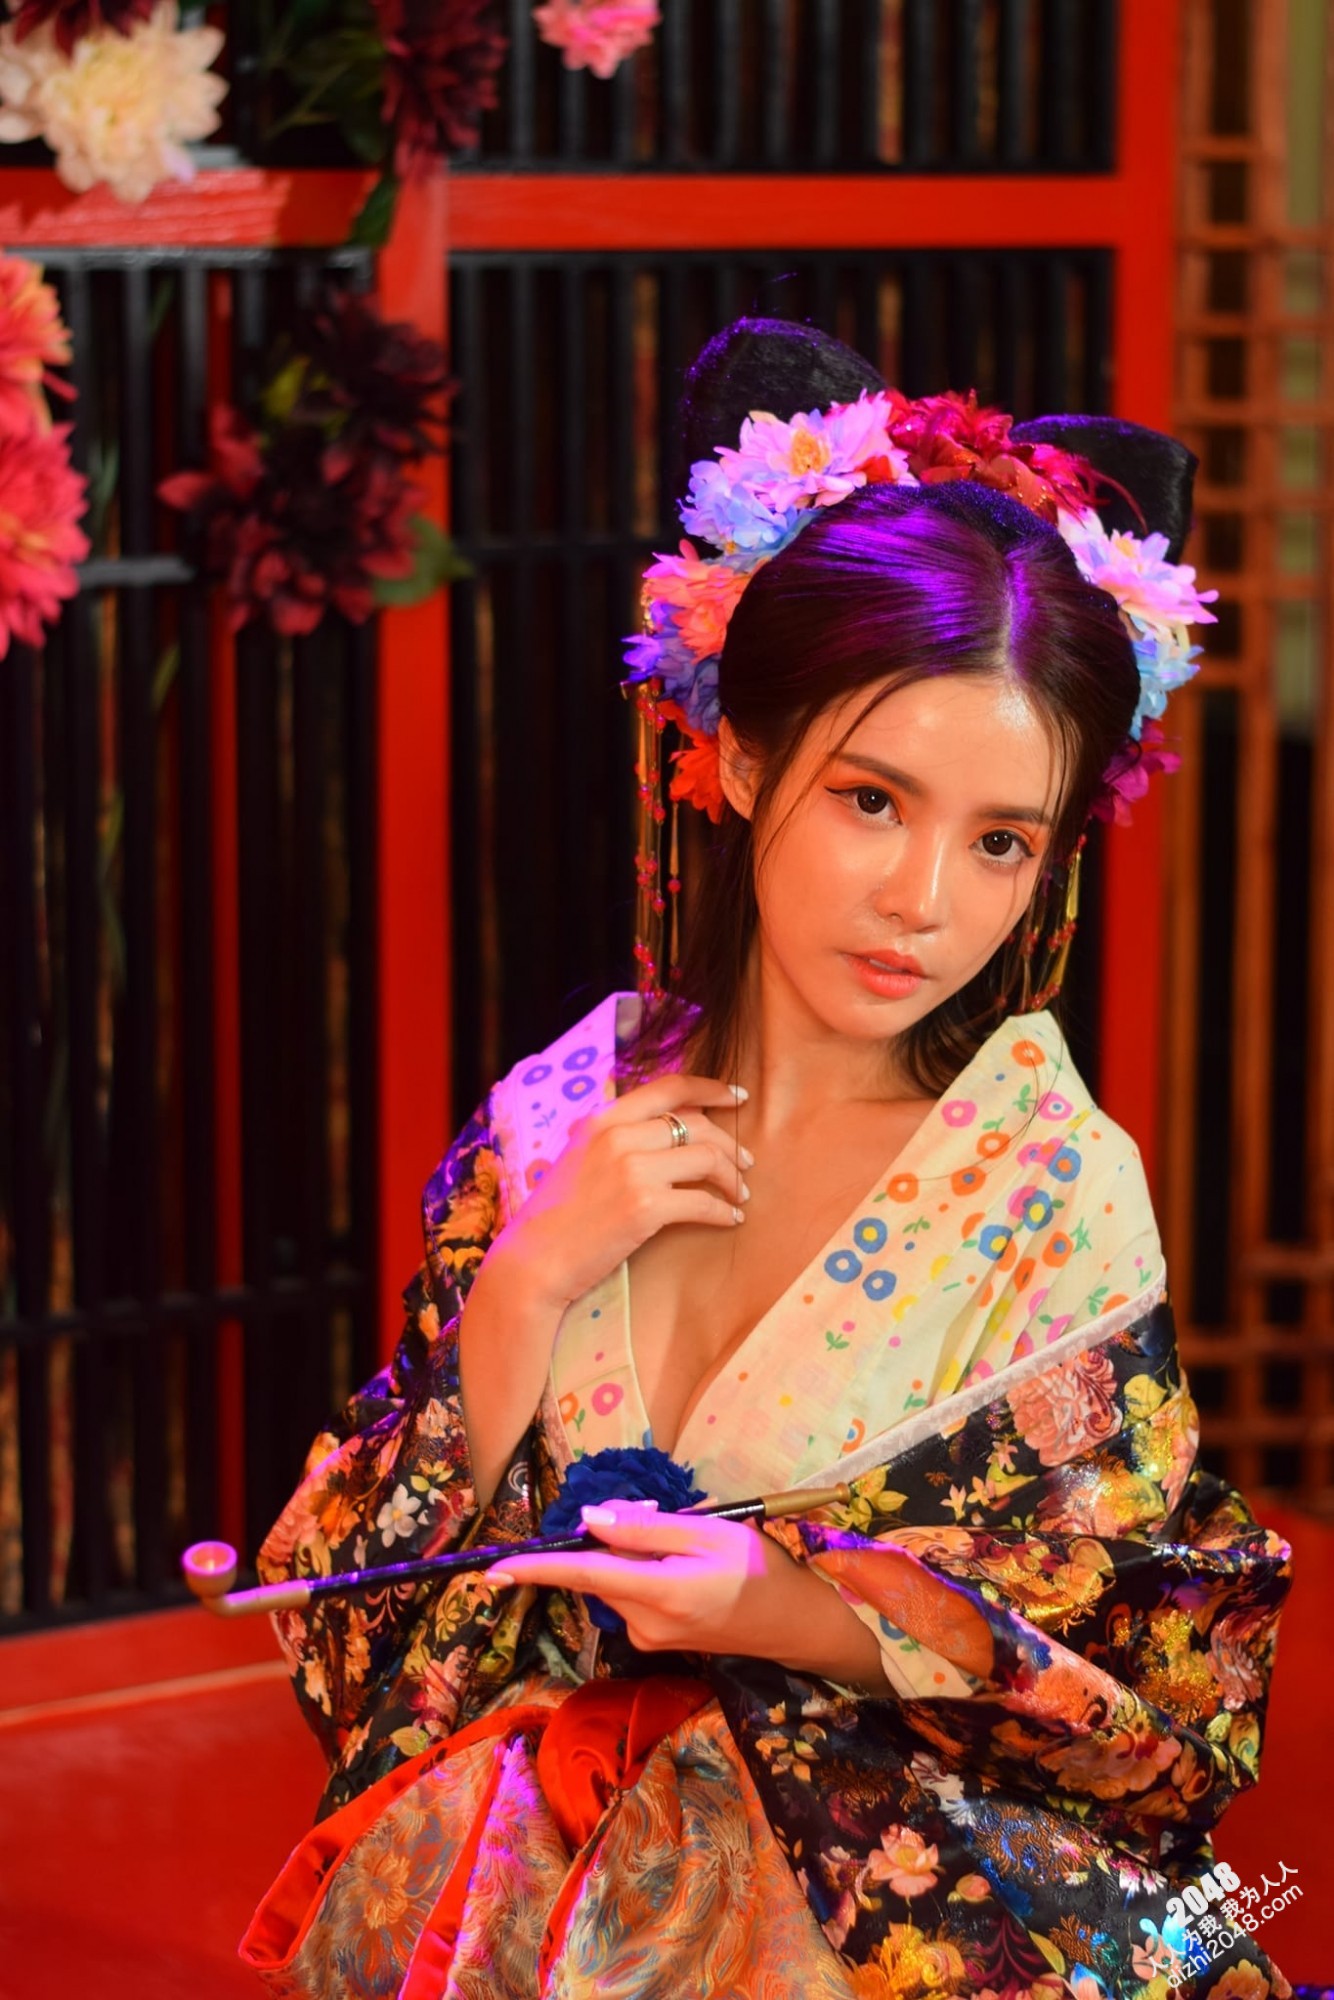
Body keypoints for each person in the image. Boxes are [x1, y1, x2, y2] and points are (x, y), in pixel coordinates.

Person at [239, 320, 1295, 2000]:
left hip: (887, 1908)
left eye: (999, 839)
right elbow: (347, 1617)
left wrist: (785, 1608)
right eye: (873, 799)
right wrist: (525, 1282)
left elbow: (1148, 1678)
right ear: (737, 754)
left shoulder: (1047, 1180)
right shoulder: (559, 1112)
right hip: (516, 1872)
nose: (922, 901)